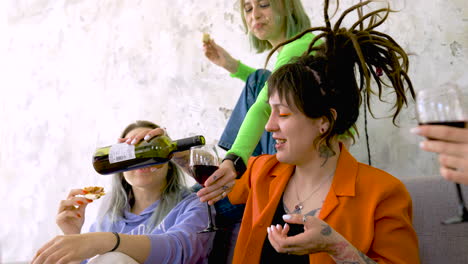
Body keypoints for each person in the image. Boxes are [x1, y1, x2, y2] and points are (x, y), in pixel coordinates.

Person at [226, 0, 420, 263]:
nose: (269, 126)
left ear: (325, 122)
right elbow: (213, 183)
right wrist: (169, 152)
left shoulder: (382, 194)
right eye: (269, 111)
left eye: (282, 113)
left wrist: (338, 248)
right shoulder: (261, 172)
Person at [199, 0, 354, 205]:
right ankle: (238, 171)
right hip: (308, 148)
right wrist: (230, 65)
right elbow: (273, 92)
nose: (254, 14)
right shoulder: (301, 44)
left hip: (309, 153)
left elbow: (264, 106)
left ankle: (237, 173)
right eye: (248, 8)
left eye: (264, 4)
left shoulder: (297, 47)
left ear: (288, 7)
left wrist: (233, 161)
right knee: (259, 79)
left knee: (258, 80)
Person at [32, 121, 214, 264]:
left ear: (169, 162)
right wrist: (72, 234)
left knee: (113, 259)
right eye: (132, 152)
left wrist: (108, 242)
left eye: (146, 149)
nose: (142, 158)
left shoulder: (195, 203)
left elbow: (181, 252)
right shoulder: (110, 219)